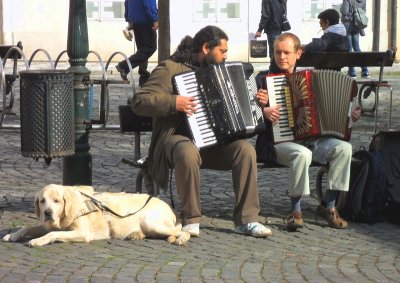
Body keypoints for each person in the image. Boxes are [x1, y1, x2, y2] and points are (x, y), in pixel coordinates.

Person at [130, 25, 272, 238]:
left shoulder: (222, 72)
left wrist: (257, 103)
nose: (226, 56)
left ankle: (247, 220)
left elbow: (237, 108)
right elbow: (139, 101)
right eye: (222, 51)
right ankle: (191, 219)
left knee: (245, 150)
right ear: (206, 47)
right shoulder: (170, 68)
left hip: (212, 143)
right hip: (175, 140)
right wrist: (174, 102)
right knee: (187, 152)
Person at [256, 32, 361, 231]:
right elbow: (248, 113)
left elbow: (342, 106)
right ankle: (296, 211)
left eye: (287, 52)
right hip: (277, 143)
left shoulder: (310, 79)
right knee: (301, 153)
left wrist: (350, 116)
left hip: (313, 141)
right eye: (278, 52)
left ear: (298, 53)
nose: (282, 57)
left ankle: (329, 206)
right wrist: (263, 110)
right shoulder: (263, 80)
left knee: (344, 148)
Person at [116, 0, 158, 87]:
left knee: (142, 50)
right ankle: (124, 66)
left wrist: (128, 18)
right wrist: (155, 19)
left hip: (136, 21)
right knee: (150, 48)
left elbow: (127, 2)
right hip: (145, 21)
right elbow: (149, 3)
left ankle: (144, 78)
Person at [340, 0, 369, 78]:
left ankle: (352, 72)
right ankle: (365, 70)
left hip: (348, 26)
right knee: (357, 48)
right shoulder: (363, 1)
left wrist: (341, 8)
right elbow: (364, 11)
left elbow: (344, 11)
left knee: (349, 49)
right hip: (357, 26)